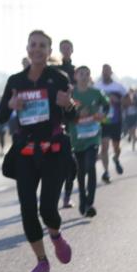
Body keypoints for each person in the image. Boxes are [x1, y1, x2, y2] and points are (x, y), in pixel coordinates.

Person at [0, 30, 76, 272]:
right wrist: (10, 106)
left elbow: (72, 118)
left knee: (48, 208)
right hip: (26, 151)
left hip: (53, 150)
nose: (38, 49)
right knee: (27, 208)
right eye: (34, 45)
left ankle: (56, 236)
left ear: (49, 51)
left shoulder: (58, 78)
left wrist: (68, 105)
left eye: (43, 45)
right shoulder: (15, 81)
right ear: (27, 49)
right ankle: (42, 262)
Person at [68, 67, 109, 217]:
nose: (84, 76)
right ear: (75, 76)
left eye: (86, 74)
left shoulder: (96, 93)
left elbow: (107, 105)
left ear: (89, 76)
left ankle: (89, 203)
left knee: (90, 165)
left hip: (93, 135)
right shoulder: (71, 94)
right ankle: (82, 198)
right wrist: (77, 114)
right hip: (77, 138)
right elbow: (64, 113)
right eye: (81, 74)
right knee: (81, 171)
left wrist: (101, 115)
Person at [94, 64, 127, 184]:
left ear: (111, 72)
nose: (105, 73)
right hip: (103, 120)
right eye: (103, 71)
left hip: (116, 120)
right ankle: (106, 172)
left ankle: (116, 158)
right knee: (104, 146)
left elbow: (128, 100)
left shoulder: (119, 87)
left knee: (116, 147)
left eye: (107, 71)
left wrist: (119, 101)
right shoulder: (96, 86)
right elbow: (92, 101)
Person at [54, 41, 77, 208]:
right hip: (56, 119)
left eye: (68, 47)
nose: (66, 50)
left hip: (73, 118)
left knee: (71, 163)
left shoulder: (77, 71)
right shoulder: (54, 70)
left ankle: (67, 195)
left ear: (72, 50)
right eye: (63, 47)